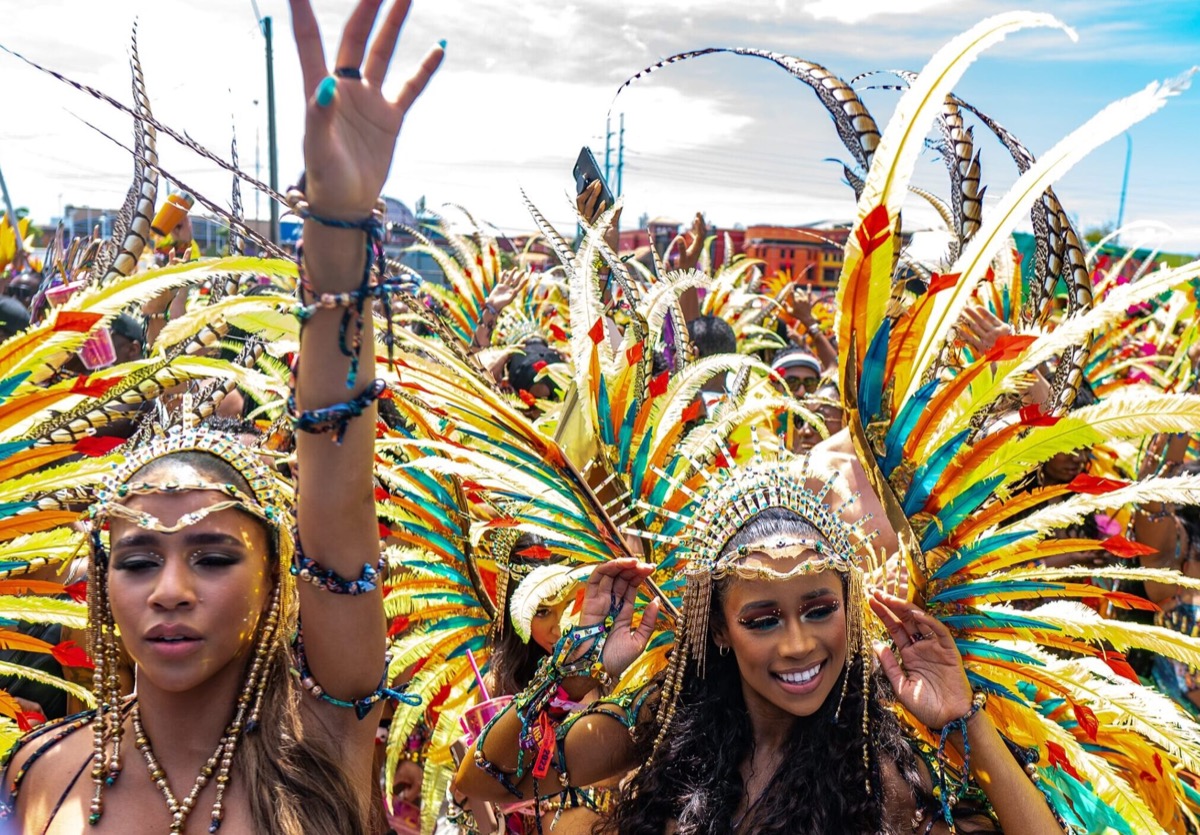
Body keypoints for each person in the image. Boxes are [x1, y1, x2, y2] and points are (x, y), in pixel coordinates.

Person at [0, 1, 444, 832]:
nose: (171, 591)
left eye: (210, 556)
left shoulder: (319, 747)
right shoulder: (39, 772)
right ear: (98, 584)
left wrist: (338, 232)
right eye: (137, 560)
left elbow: (336, 472)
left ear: (279, 578)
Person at [456, 459, 1065, 834]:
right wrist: (569, 671)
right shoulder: (665, 725)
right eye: (763, 619)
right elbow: (485, 781)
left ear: (850, 612)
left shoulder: (887, 766)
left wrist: (965, 719)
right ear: (719, 629)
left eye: (820, 610)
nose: (798, 645)